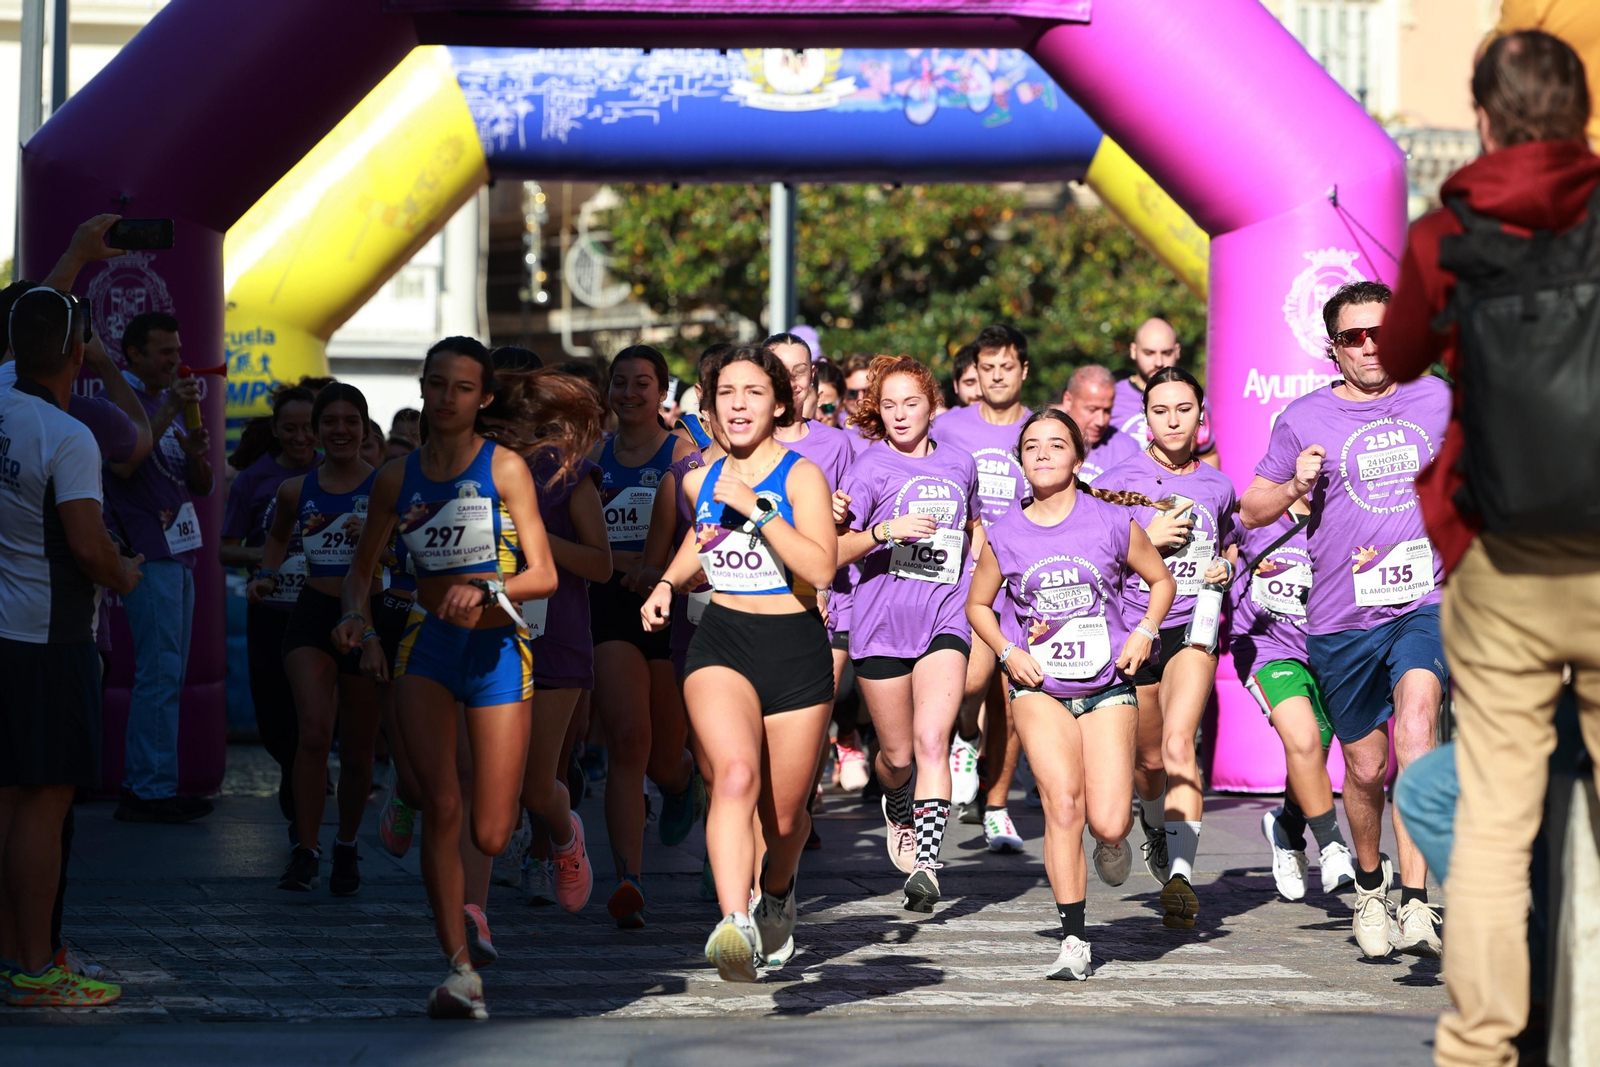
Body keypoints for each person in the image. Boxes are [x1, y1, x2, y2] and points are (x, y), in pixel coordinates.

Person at [1379, 30, 1600, 1066]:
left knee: (1496, 823)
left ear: (1482, 115)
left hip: (1500, 555)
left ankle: (1477, 1045)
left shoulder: (1444, 231)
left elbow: (1398, 351)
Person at [332, 336, 558, 1020]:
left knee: (492, 829)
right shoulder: (397, 479)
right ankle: (460, 967)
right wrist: (358, 620)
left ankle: (476, 847)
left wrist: (489, 588)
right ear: (423, 388)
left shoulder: (507, 468)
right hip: (426, 650)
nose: (447, 397)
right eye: (437, 384)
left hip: (497, 655)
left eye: (463, 387)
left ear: (483, 397)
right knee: (444, 804)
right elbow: (362, 569)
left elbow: (544, 574)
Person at [1242, 280, 1449, 961]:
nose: (1371, 346)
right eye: (1355, 336)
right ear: (1333, 348)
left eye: (1382, 333)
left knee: (1417, 722)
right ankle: (1369, 884)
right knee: (1366, 766)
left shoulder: (1435, 396)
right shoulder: (1303, 418)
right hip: (1341, 618)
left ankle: (1417, 902)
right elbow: (1251, 509)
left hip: (1423, 601)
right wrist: (1294, 483)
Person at [641, 344, 838, 982]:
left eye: (754, 392)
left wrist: (757, 507)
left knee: (783, 818)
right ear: (710, 404)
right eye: (726, 393)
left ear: (779, 403)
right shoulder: (698, 478)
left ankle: (776, 890)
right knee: (730, 776)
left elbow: (820, 568)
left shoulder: (801, 475)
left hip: (794, 649)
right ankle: (733, 921)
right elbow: (699, 547)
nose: (739, 404)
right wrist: (668, 583)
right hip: (721, 640)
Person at [967, 409, 1175, 980]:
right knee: (1063, 804)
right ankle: (1074, 938)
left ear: (1078, 459)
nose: (1042, 453)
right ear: (1020, 461)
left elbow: (1162, 581)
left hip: (1107, 687)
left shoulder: (1111, 522)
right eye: (1031, 445)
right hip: (1039, 689)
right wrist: (1009, 652)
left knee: (1107, 822)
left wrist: (1144, 631)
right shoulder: (1005, 532)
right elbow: (978, 605)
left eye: (1056, 445)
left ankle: (1116, 842)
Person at [0, 286, 142, 1006]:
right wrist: (128, 570)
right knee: (44, 804)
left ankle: (11, 956)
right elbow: (89, 550)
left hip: (2, 633)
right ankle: (35, 967)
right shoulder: (66, 435)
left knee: (7, 800)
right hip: (49, 639)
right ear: (79, 352)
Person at [837, 355, 984, 913]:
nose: (900, 415)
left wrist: (978, 576)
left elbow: (974, 526)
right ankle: (896, 802)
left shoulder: (959, 463)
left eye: (912, 403)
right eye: (889, 404)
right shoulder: (869, 468)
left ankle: (926, 865)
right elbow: (836, 549)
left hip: (945, 615)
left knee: (932, 743)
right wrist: (885, 531)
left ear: (933, 405)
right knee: (897, 756)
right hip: (880, 625)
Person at [1095, 366, 1238, 930]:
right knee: (1149, 762)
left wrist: (1225, 564)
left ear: (1201, 417)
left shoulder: (1217, 485)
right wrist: (1143, 542)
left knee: (1181, 745)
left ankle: (1180, 877)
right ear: (1145, 418)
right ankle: (1153, 822)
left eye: (1184, 409)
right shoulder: (1116, 478)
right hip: (1135, 630)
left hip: (1192, 628)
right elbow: (1093, 553)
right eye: (1161, 410)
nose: (1174, 420)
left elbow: (1229, 542)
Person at [478, 369, 606, 915]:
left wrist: (531, 534)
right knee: (478, 778)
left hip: (555, 638)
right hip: (482, 635)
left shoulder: (567, 473)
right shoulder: (463, 468)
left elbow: (599, 564)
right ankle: (471, 910)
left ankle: (562, 835)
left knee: (536, 786)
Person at [248, 384, 384, 895]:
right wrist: (266, 572)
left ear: (366, 429)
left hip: (368, 618)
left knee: (357, 751)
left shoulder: (386, 488)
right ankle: (305, 849)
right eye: (331, 422)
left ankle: (346, 844)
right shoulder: (295, 490)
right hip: (311, 614)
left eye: (352, 421)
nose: (341, 430)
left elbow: (409, 553)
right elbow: (278, 536)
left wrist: (380, 545)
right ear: (317, 430)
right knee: (311, 733)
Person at [592, 345, 700, 928]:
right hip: (611, 605)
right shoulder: (594, 456)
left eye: (642, 384)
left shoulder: (683, 454)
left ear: (663, 393)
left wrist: (660, 571)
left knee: (663, 759)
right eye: (620, 383)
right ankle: (628, 879)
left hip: (670, 606)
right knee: (627, 740)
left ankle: (683, 783)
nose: (630, 394)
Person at [102, 311, 216, 824]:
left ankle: (154, 785)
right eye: (165, 353)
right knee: (159, 672)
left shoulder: (167, 404)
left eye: (177, 350)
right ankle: (146, 790)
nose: (177, 360)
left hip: (179, 550)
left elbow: (201, 486)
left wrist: (196, 456)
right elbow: (123, 463)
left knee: (167, 672)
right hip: (147, 551)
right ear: (134, 356)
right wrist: (171, 406)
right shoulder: (119, 404)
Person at [930, 325, 1031, 851]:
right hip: (962, 579)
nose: (995, 377)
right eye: (987, 368)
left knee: (1012, 699)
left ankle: (996, 808)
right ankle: (966, 736)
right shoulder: (949, 428)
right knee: (971, 684)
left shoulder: (1039, 429)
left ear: (1023, 372)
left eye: (1006, 367)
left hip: (1022, 583)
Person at [1230, 499, 1356, 900]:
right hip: (1268, 651)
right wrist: (1217, 566)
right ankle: (1333, 848)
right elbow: (1209, 543)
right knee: (1301, 740)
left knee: (1313, 752)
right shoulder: (1255, 512)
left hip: (1329, 652)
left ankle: (1286, 829)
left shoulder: (1348, 516)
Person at [221, 386, 317, 835]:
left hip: (323, 609)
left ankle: (306, 798)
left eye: (308, 428)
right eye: (290, 429)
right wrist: (268, 559)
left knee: (312, 715)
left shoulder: (338, 473)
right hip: (269, 611)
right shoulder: (254, 479)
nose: (300, 438)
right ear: (275, 430)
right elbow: (226, 550)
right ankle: (290, 768)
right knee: (274, 715)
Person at [1112, 318, 1219, 469]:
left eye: (1166, 353)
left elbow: (1207, 454)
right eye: (1149, 353)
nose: (1158, 362)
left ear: (1177, 351)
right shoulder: (1111, 398)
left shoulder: (1193, 398)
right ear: (1133, 351)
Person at [1059, 364, 1141, 483]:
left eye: (1107, 410)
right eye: (1092, 410)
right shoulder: (1045, 443)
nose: (1101, 421)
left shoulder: (1129, 451)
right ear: (1068, 401)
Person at [839, 354, 874, 454]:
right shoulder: (834, 427)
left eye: (867, 391)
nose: (860, 399)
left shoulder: (894, 427)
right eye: (852, 393)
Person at [812, 358, 846, 429]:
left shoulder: (853, 439)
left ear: (842, 404)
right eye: (812, 408)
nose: (818, 416)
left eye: (828, 408)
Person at [950, 342, 982, 407]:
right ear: (956, 385)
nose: (979, 392)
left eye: (984, 383)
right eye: (970, 383)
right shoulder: (946, 417)